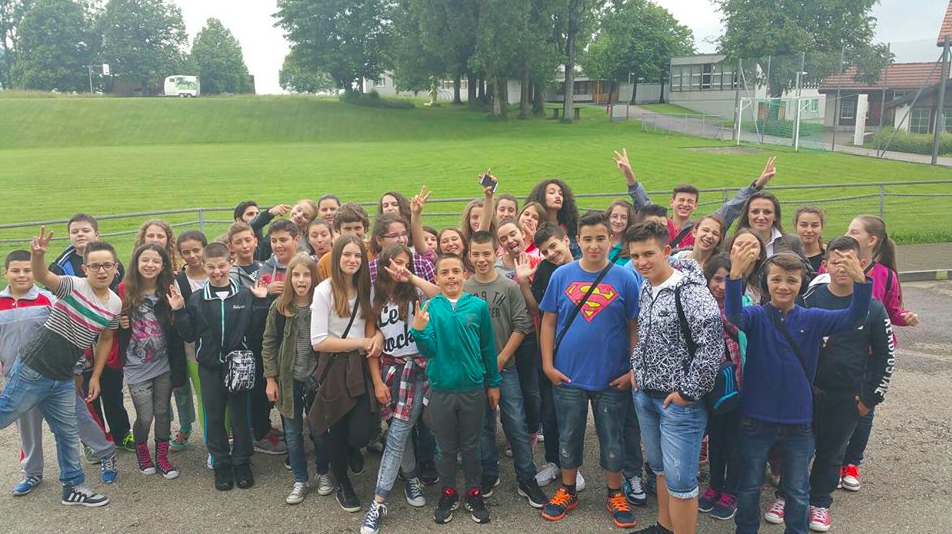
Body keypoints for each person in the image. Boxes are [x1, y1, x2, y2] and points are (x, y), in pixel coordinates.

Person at [726, 243, 872, 534]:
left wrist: (860, 282)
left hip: (799, 421)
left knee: (797, 489)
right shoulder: (756, 316)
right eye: (776, 279)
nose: (783, 286)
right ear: (766, 282)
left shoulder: (812, 318)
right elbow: (734, 315)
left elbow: (854, 317)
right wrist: (735, 276)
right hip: (756, 417)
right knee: (750, 485)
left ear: (801, 284)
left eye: (791, 280)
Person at [0, 230, 122, 507]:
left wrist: (97, 375)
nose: (101, 271)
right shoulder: (73, 286)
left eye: (107, 265)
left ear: (116, 267)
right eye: (95, 266)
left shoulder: (115, 303)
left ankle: (73, 487)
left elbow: (106, 337)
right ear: (85, 268)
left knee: (67, 433)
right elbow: (43, 276)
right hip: (34, 368)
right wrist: (38, 255)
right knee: (4, 414)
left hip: (64, 376)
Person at [538, 211, 640, 529]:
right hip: (568, 374)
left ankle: (615, 492)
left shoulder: (625, 278)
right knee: (568, 435)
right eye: (587, 239)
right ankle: (568, 489)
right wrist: (547, 364)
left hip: (612, 376)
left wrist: (633, 369)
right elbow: (548, 322)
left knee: (613, 438)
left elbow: (634, 327)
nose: (594, 245)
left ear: (610, 240)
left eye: (600, 238)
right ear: (577, 241)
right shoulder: (562, 276)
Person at [627, 221, 724, 534]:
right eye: (635, 255)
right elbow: (643, 335)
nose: (641, 262)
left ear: (666, 251)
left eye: (648, 254)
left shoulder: (692, 292)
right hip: (646, 394)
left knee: (681, 482)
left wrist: (688, 393)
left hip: (679, 403)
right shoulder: (646, 286)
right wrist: (636, 367)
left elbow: (711, 348)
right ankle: (664, 527)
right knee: (659, 469)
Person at [794, 237, 894, 532]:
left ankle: (820, 502)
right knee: (797, 449)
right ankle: (787, 495)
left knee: (831, 452)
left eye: (848, 262)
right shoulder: (809, 299)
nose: (841, 268)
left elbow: (885, 357)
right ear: (825, 264)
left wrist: (868, 398)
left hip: (846, 396)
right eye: (835, 262)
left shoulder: (873, 308)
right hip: (807, 392)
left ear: (862, 264)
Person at [171, 242, 269, 491]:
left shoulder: (245, 295)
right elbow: (189, 335)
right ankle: (221, 463)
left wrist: (260, 303)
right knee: (214, 416)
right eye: (211, 267)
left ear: (230, 263)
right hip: (210, 366)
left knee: (240, 416)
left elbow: (255, 332)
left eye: (221, 266)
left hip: (238, 365)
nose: (216, 272)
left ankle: (242, 461)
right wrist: (179, 311)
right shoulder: (196, 299)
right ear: (204, 266)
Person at [410, 254, 500, 525]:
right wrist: (419, 331)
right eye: (445, 272)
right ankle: (448, 491)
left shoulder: (477, 306)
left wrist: (493, 383)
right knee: (445, 447)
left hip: (473, 388)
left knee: (472, 446)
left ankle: (473, 491)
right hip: (442, 389)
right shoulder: (431, 307)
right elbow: (430, 351)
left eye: (455, 271)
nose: (451, 277)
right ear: (436, 278)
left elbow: (488, 348)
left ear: (464, 275)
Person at [464, 231, 548, 508]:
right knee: (483, 424)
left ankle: (526, 476)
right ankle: (489, 471)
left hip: (506, 367)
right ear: (469, 256)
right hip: (476, 371)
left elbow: (522, 325)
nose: (481, 259)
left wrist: (500, 359)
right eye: (476, 254)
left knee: (515, 422)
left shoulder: (509, 287)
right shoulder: (464, 289)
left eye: (486, 253)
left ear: (495, 253)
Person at [361, 244, 440, 534]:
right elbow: (371, 344)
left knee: (397, 433)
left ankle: (378, 502)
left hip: (417, 370)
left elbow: (440, 295)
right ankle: (410, 477)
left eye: (404, 263)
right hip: (390, 371)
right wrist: (377, 382)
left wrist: (412, 277)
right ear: (383, 264)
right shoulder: (375, 296)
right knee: (398, 427)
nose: (399, 268)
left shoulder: (416, 292)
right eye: (394, 263)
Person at [839, 214, 917, 492]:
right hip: (843, 350)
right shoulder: (836, 265)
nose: (847, 234)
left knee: (864, 407)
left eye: (854, 231)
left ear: (871, 240)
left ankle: (851, 462)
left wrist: (905, 317)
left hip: (872, 354)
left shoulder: (886, 275)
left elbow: (892, 311)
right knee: (837, 405)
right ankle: (833, 458)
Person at [309, 235, 379, 513]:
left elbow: (373, 324)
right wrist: (361, 342)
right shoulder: (324, 291)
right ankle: (343, 484)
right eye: (347, 255)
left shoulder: (366, 289)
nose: (352, 260)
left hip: (360, 366)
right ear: (337, 257)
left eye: (357, 255)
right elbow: (318, 341)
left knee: (363, 431)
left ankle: (353, 449)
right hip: (336, 365)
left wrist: (378, 337)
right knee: (335, 428)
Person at [261, 253, 332, 505]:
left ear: (314, 278)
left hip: (315, 379)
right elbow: (269, 343)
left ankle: (323, 472)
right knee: (292, 433)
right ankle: (300, 479)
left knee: (319, 430)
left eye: (306, 275)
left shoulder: (322, 305)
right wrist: (271, 379)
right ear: (289, 278)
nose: (301, 280)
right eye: (296, 275)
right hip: (288, 379)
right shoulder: (280, 307)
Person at [526, 223, 587, 491]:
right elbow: (541, 311)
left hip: (583, 352)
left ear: (566, 240)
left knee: (575, 415)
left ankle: (573, 464)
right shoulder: (544, 270)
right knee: (550, 413)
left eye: (553, 246)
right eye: (545, 251)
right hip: (553, 350)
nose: (551, 253)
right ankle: (554, 461)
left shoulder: (586, 266)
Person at [117, 243, 186, 480]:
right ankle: (142, 451)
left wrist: (178, 309)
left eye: (156, 261)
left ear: (163, 265)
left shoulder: (168, 291)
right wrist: (119, 323)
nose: (150, 265)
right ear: (136, 263)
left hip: (163, 365)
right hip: (136, 367)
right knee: (145, 416)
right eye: (145, 260)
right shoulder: (124, 290)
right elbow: (109, 323)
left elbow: (177, 332)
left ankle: (162, 457)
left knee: (163, 412)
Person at [614, 150, 777, 248]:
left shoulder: (702, 228)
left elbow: (731, 208)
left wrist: (757, 185)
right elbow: (643, 203)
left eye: (690, 201)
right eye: (681, 200)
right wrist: (629, 174)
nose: (685, 204)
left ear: (696, 206)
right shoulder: (660, 224)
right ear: (672, 202)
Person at [697, 254, 745, 522]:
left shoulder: (742, 305)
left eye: (728, 280)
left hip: (738, 381)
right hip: (711, 384)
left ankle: (732, 490)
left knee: (735, 440)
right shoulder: (699, 304)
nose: (722, 286)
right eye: (717, 279)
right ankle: (715, 484)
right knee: (715, 438)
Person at [169, 229, 208, 451]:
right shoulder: (179, 281)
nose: (192, 256)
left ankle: (225, 432)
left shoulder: (218, 271)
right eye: (186, 252)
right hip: (193, 348)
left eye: (196, 250)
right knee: (202, 396)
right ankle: (210, 441)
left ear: (205, 248)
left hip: (220, 346)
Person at [368, 213, 436, 284]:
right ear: (379, 240)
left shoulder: (422, 263)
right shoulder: (370, 269)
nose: (402, 240)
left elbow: (438, 289)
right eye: (394, 235)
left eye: (404, 234)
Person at [734, 191, 805, 259]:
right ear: (747, 215)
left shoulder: (792, 242)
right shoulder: (733, 243)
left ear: (775, 216)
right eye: (755, 212)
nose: (761, 217)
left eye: (767, 212)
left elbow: (805, 267)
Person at [525, 179, 580, 259]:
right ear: (541, 197)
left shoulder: (572, 229)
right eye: (551, 192)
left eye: (561, 194)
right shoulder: (531, 228)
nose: (558, 196)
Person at [318, 203, 372, 280]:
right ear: (338, 230)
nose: (353, 233)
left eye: (357, 228)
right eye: (347, 229)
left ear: (365, 228)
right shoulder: (326, 262)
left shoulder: (374, 254)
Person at [228, 222, 262, 289]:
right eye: (238, 242)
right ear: (231, 247)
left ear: (256, 242)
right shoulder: (232, 276)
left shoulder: (264, 266)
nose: (244, 246)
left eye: (248, 240)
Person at [794, 207, 826, 272]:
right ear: (795, 227)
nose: (809, 230)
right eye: (804, 225)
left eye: (814, 225)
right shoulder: (788, 256)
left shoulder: (829, 257)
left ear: (822, 228)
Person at [606, 200, 636, 265]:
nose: (618, 221)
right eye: (614, 216)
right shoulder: (598, 242)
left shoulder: (632, 247)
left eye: (623, 217)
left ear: (629, 221)